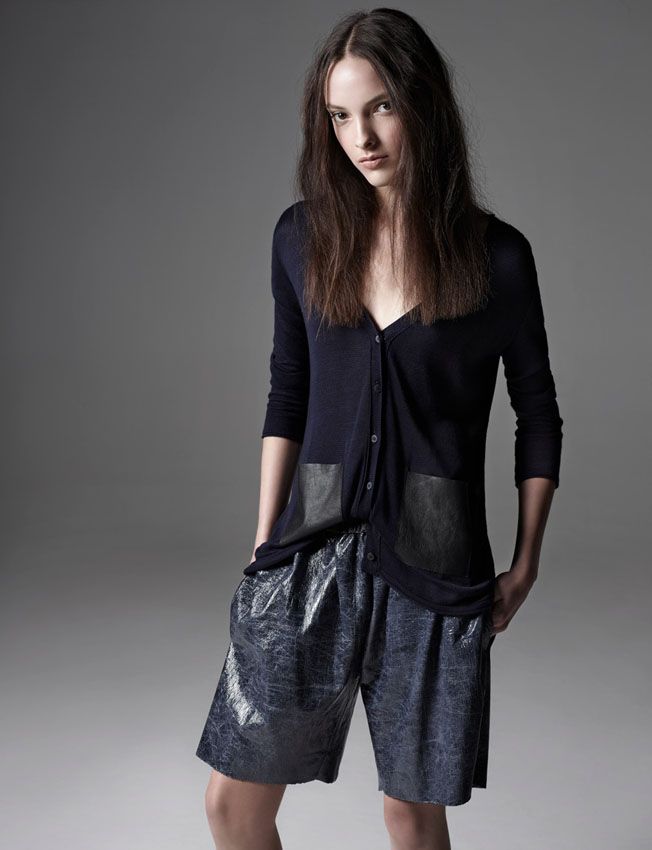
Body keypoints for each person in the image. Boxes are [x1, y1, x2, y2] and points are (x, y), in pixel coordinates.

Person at [195, 8, 563, 849]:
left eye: (381, 107)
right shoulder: (302, 238)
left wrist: (527, 562)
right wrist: (265, 542)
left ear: (423, 103)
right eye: (340, 116)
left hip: (434, 562)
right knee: (232, 804)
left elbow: (538, 414)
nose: (360, 137)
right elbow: (288, 394)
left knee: (410, 814)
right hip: (309, 549)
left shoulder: (497, 258)